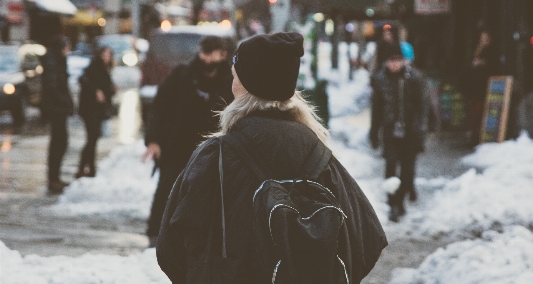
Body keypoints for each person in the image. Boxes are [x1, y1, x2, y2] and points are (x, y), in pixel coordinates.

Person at [156, 32, 388, 283]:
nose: (231, 84)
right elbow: (369, 238)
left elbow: (170, 247)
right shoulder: (318, 152)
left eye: (234, 77)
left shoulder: (217, 155)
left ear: (246, 85)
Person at [142, 36, 233, 247]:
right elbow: (160, 108)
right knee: (167, 192)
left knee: (212, 197)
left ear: (223, 55)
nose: (208, 59)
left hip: (215, 151)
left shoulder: (231, 81)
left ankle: (208, 241)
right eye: (205, 53)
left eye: (214, 53)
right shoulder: (182, 76)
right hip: (178, 147)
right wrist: (154, 140)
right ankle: (156, 237)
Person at [372, 43, 428, 222]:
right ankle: (393, 204)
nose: (395, 64)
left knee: (407, 170)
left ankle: (402, 198)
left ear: (403, 61)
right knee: (390, 168)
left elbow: (422, 106)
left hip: (410, 130)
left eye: (398, 60)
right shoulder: (380, 79)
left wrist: (421, 131)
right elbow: (377, 108)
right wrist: (374, 131)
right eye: (391, 60)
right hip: (390, 130)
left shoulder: (414, 78)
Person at [41, 35, 74, 194]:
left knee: (60, 142)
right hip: (56, 109)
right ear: (61, 48)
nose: (69, 50)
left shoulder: (57, 61)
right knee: (59, 142)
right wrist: (66, 102)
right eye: (67, 47)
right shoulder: (53, 63)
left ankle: (55, 177)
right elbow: (53, 87)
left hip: (58, 108)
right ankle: (53, 178)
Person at [76, 46, 116, 178]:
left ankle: (89, 168)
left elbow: (105, 88)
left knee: (93, 138)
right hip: (90, 109)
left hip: (97, 110)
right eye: (104, 54)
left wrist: (111, 89)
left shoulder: (105, 69)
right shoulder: (94, 67)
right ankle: (84, 168)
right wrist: (96, 91)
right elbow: (84, 80)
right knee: (92, 137)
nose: (106, 57)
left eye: (108, 55)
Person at [467, 30, 498, 146]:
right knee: (474, 110)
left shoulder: (491, 51)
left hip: (483, 84)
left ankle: (479, 135)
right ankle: (473, 134)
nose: (483, 40)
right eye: (482, 38)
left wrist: (482, 63)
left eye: (485, 38)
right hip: (475, 84)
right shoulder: (477, 49)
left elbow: (492, 65)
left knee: (481, 110)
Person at [369, 25, 397, 149]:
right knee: (379, 109)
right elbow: (375, 63)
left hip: (389, 84)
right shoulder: (380, 47)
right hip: (381, 82)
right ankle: (377, 138)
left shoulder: (396, 46)